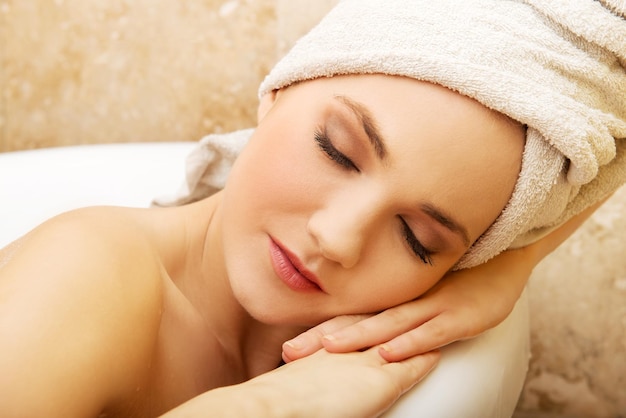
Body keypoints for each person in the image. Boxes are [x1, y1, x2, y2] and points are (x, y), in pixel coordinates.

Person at [1, 1, 624, 417]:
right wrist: (264, 408)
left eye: (416, 239)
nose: (337, 238)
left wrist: (511, 269)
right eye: (337, 151)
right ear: (280, 89)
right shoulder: (83, 273)